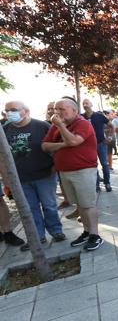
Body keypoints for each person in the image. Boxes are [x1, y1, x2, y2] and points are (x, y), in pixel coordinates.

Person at [42, 98, 104, 251]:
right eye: (56, 109)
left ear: (74, 110)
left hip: (83, 171)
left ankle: (95, 235)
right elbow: (45, 146)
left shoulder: (83, 124)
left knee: (88, 205)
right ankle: (87, 232)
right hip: (65, 171)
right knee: (79, 205)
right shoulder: (55, 126)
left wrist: (61, 126)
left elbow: (74, 141)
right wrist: (62, 144)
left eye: (61, 109)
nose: (57, 112)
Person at [4, 100, 66, 251]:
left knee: (49, 205)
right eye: (7, 110)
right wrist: (7, 179)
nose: (9, 113)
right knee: (30, 209)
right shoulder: (4, 130)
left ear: (25, 111)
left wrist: (55, 167)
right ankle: (37, 236)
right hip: (20, 179)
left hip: (44, 174)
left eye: (13, 109)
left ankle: (56, 231)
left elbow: (59, 146)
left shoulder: (42, 126)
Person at [81, 98, 112, 192]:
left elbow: (111, 125)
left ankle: (107, 183)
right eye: (83, 103)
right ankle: (96, 185)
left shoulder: (99, 115)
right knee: (93, 166)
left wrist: (109, 137)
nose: (85, 105)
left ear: (91, 104)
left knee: (104, 164)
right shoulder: (81, 117)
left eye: (87, 103)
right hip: (88, 145)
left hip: (100, 143)